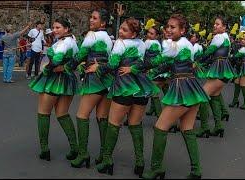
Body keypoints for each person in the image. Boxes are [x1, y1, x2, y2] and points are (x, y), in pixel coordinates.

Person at [86, 17, 160, 177]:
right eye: (121, 29)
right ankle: (140, 162)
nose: (120, 31)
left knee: (113, 124)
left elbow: (112, 65)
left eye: (125, 30)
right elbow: (151, 62)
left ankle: (107, 161)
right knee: (135, 124)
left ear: (133, 34)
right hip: (141, 87)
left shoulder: (120, 43)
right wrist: (133, 68)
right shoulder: (143, 43)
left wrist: (98, 67)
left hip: (124, 87)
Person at [142, 14, 209, 179]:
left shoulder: (176, 46)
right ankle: (196, 170)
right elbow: (170, 64)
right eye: (168, 26)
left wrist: (134, 68)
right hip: (192, 87)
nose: (169, 30)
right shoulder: (184, 44)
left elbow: (156, 61)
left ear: (183, 30)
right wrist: (152, 73)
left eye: (173, 27)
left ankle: (156, 168)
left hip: (182, 89)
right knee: (187, 129)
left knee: (160, 127)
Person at [66, 9, 113, 169]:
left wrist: (67, 67)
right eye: (90, 17)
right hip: (106, 80)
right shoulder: (108, 38)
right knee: (102, 117)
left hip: (94, 79)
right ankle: (104, 156)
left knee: (81, 115)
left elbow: (80, 55)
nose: (91, 20)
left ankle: (83, 153)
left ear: (103, 23)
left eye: (94, 18)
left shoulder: (92, 35)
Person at [28, 17, 79, 162]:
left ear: (66, 29)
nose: (55, 30)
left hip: (54, 79)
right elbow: (78, 58)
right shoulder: (73, 41)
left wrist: (46, 69)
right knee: (62, 114)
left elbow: (56, 60)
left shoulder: (63, 43)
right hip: (68, 79)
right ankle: (74, 148)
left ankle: (45, 149)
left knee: (43, 113)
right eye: (54, 28)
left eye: (58, 28)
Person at [197, 16, 236, 138]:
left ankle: (204, 127)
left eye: (217, 24)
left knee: (202, 96)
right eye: (214, 24)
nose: (215, 26)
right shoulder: (226, 38)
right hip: (224, 70)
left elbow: (209, 52)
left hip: (218, 70)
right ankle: (218, 126)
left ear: (224, 27)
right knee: (214, 97)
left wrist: (198, 61)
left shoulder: (218, 37)